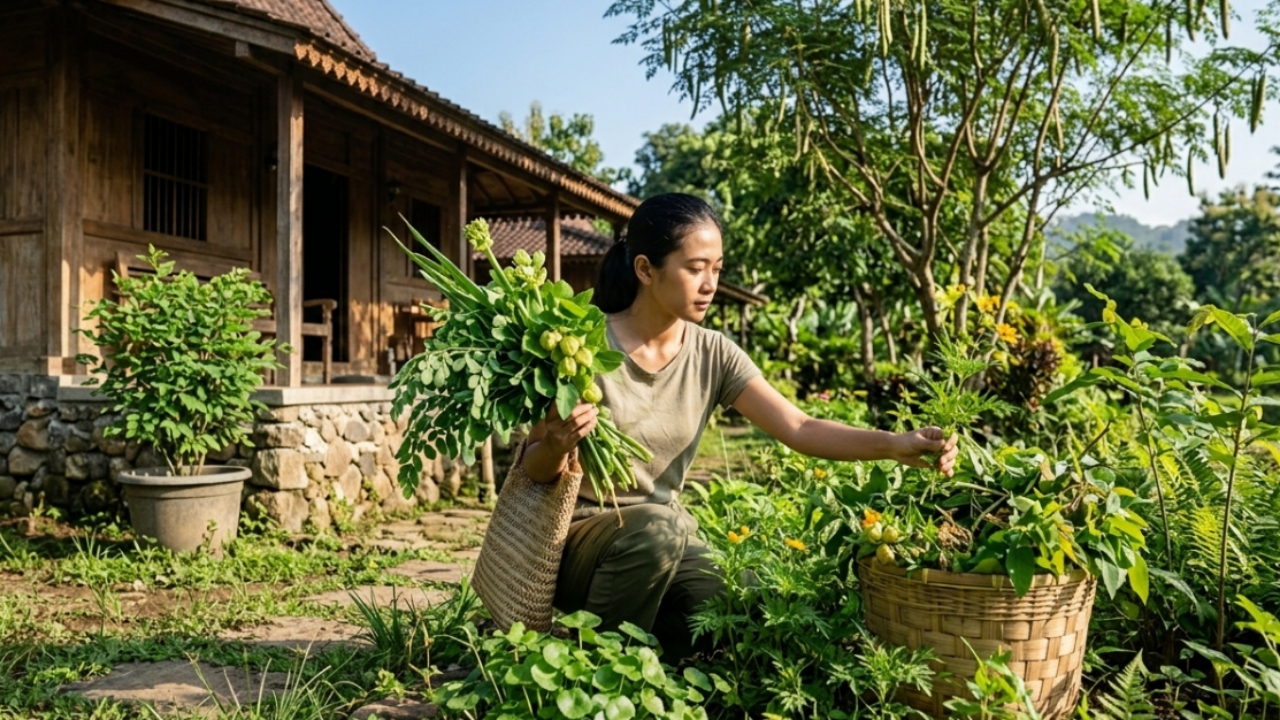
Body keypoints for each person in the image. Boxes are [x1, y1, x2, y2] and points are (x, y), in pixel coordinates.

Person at [522, 193, 958, 659]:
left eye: (718, 268)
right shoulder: (583, 344)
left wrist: (895, 445)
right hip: (581, 541)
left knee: (744, 601)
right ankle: (598, 670)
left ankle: (656, 656)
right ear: (646, 270)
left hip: (666, 537)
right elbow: (533, 468)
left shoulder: (714, 352)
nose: (710, 284)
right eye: (695, 268)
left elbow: (800, 426)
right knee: (654, 532)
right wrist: (557, 443)